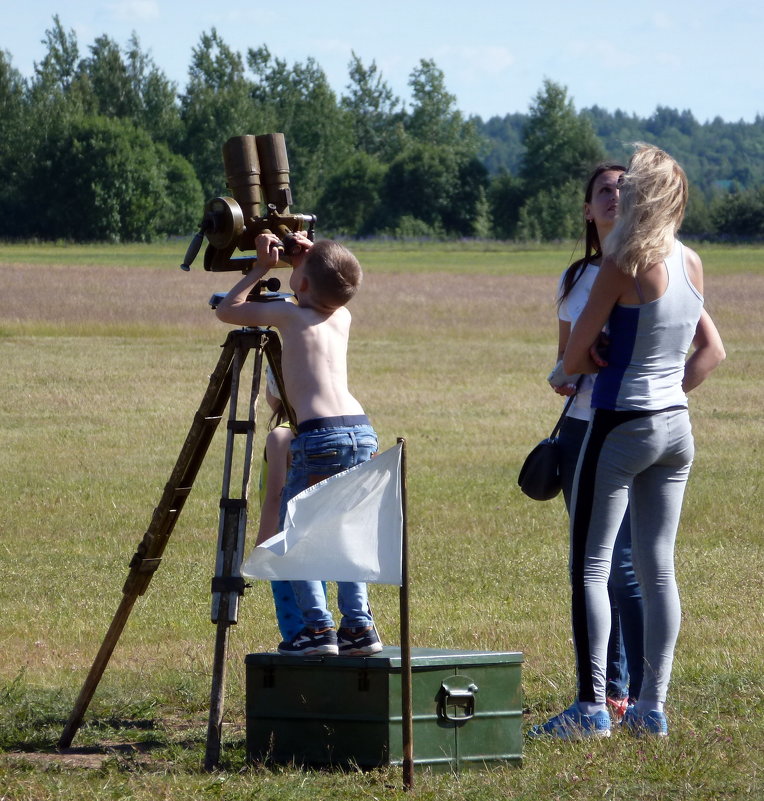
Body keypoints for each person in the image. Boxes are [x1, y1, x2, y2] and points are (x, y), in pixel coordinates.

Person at [533, 144, 725, 739]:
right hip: (677, 425)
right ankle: (650, 707)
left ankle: (592, 708)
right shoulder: (691, 260)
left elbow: (572, 357)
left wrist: (566, 368)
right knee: (657, 569)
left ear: (647, 194)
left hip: (620, 424)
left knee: (589, 567)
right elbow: (705, 347)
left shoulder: (621, 262)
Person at [216, 231, 382, 657]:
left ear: (303, 284)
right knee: (344, 532)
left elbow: (228, 310)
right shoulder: (341, 315)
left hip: (319, 434)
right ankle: (359, 626)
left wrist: (260, 268)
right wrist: (307, 263)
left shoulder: (289, 315)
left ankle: (317, 628)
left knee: (298, 533)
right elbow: (329, 283)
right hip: (360, 430)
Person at [549, 162, 644, 720]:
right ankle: (610, 685)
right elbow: (563, 359)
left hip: (626, 424)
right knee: (597, 560)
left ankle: (632, 691)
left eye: (624, 190)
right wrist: (568, 369)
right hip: (580, 425)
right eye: (604, 191)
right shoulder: (575, 277)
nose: (614, 197)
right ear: (587, 209)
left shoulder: (646, 269)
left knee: (623, 564)